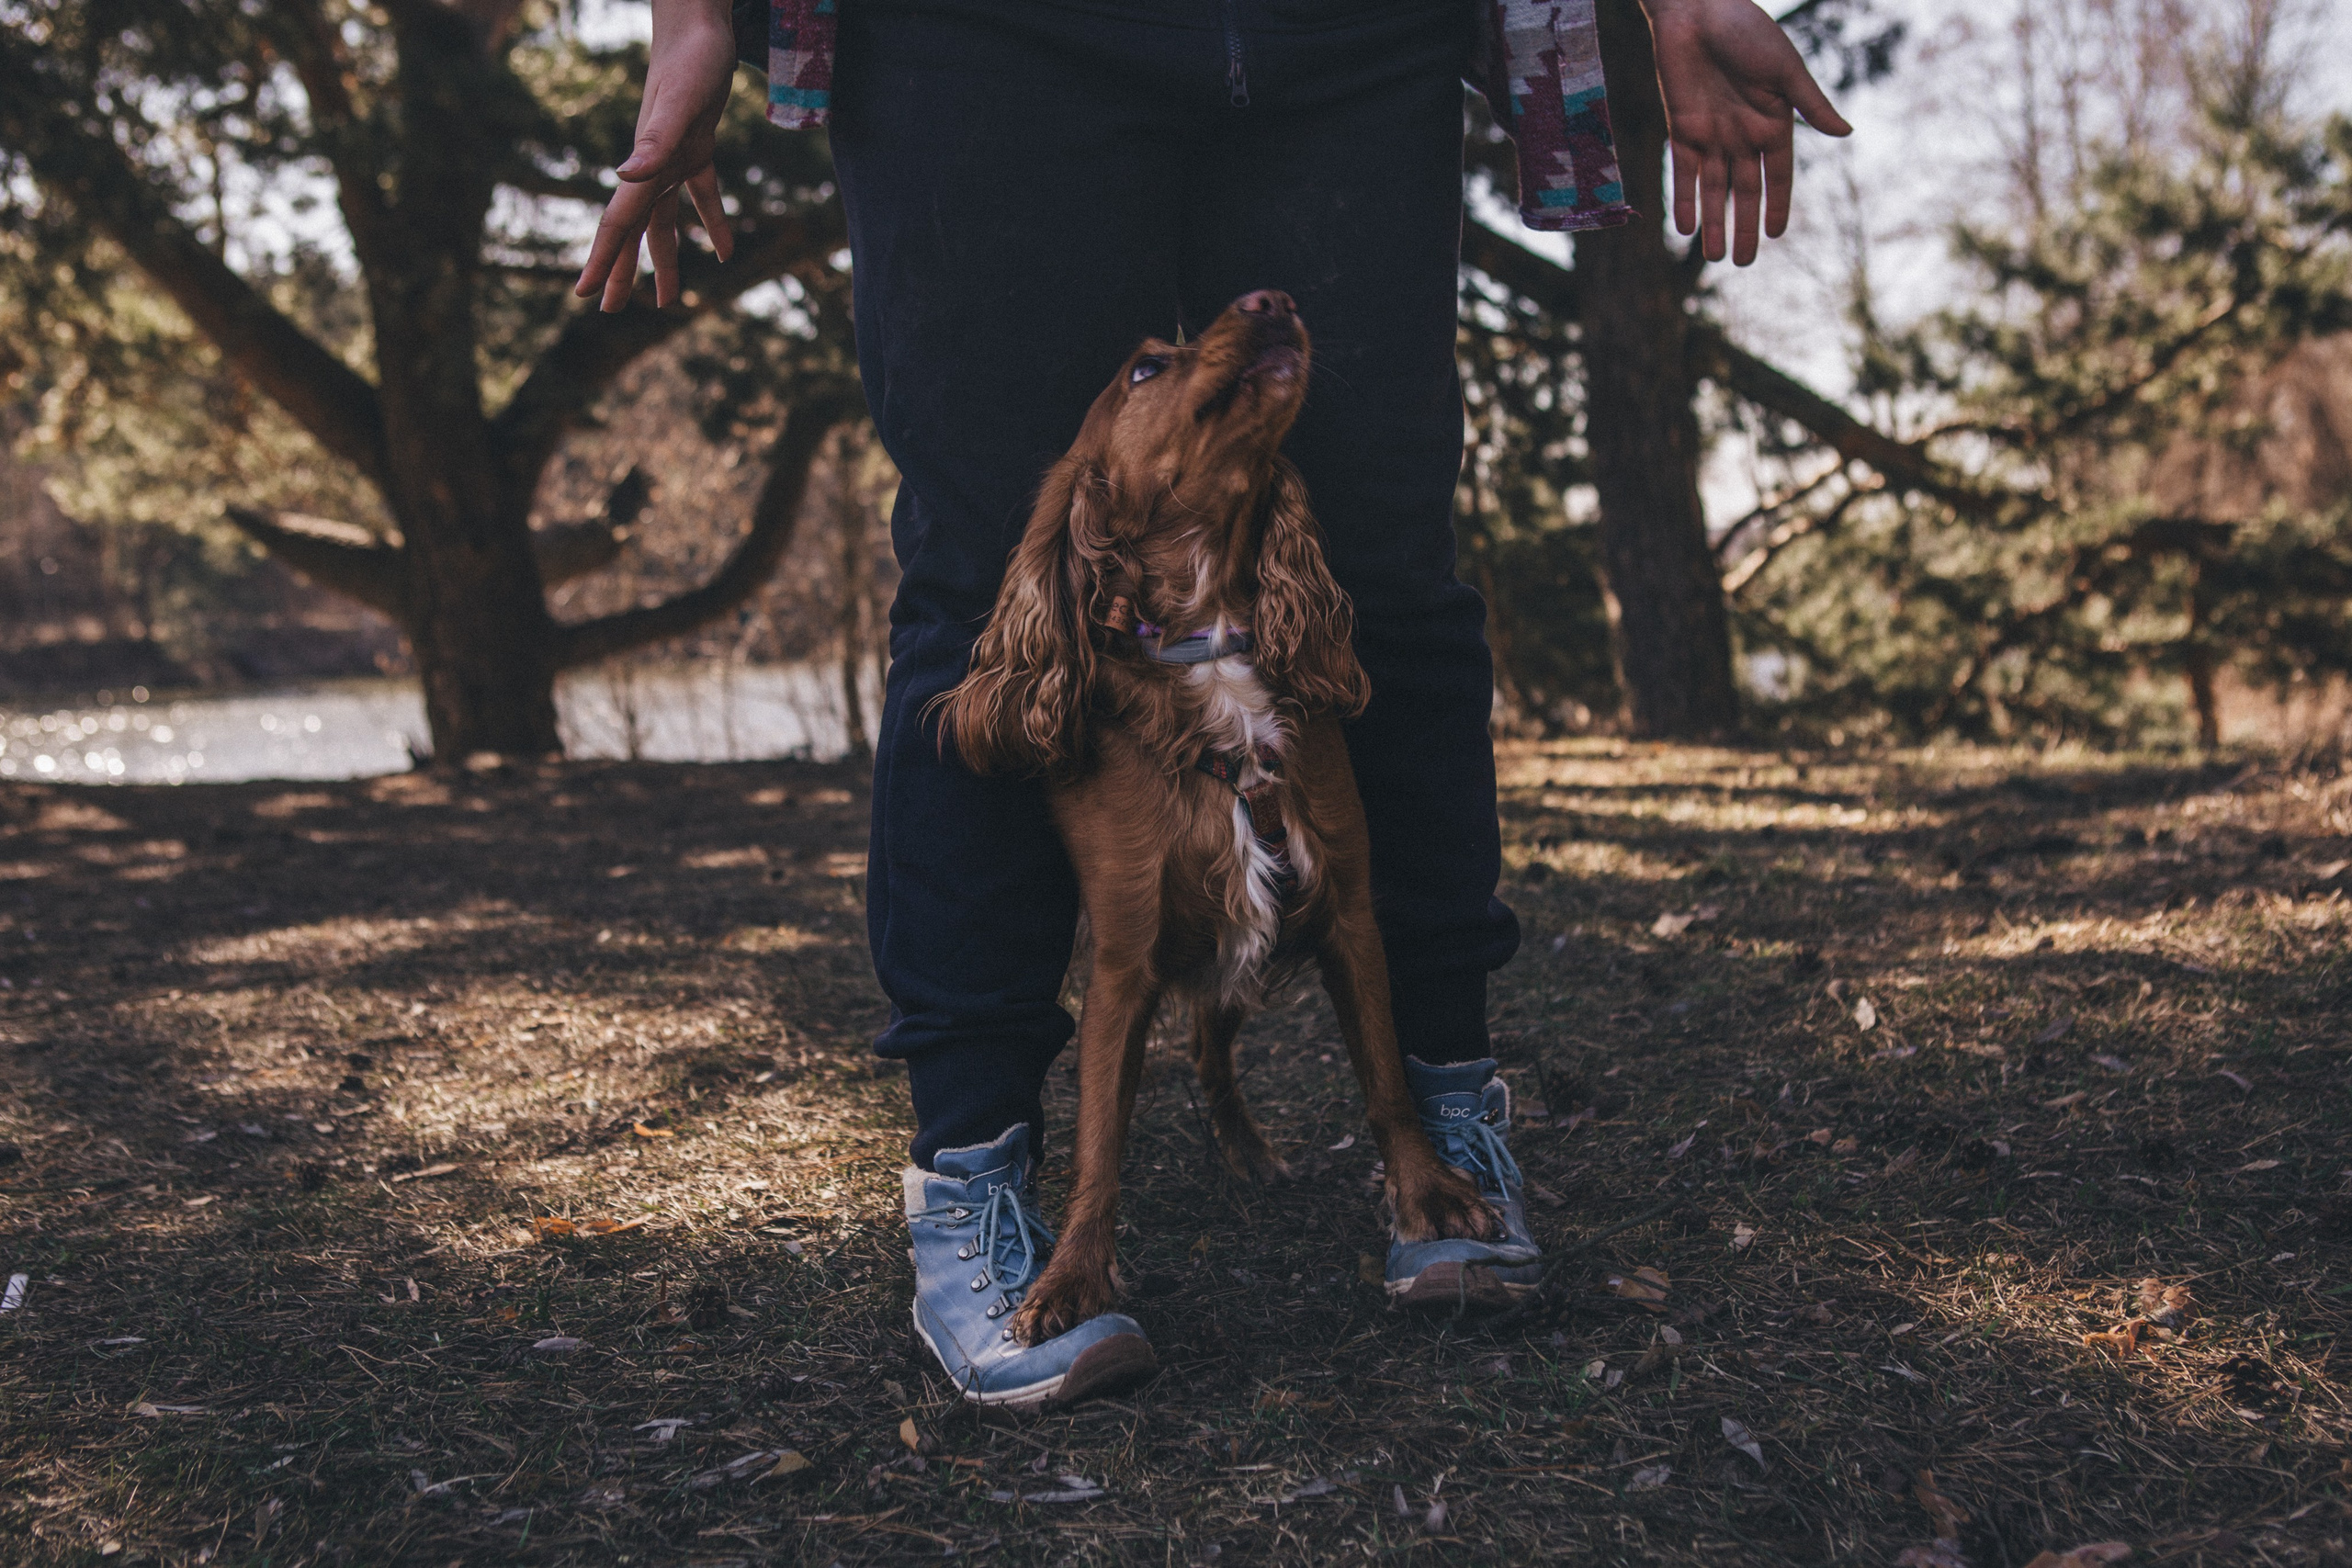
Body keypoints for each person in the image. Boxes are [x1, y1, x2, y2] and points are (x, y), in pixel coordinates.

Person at [579, 0, 1848, 1408]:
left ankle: (1439, 1125)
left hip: (1351, 34)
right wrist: (694, 14)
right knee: (992, 582)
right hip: (977, 41)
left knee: (1383, 570)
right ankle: (973, 1176)